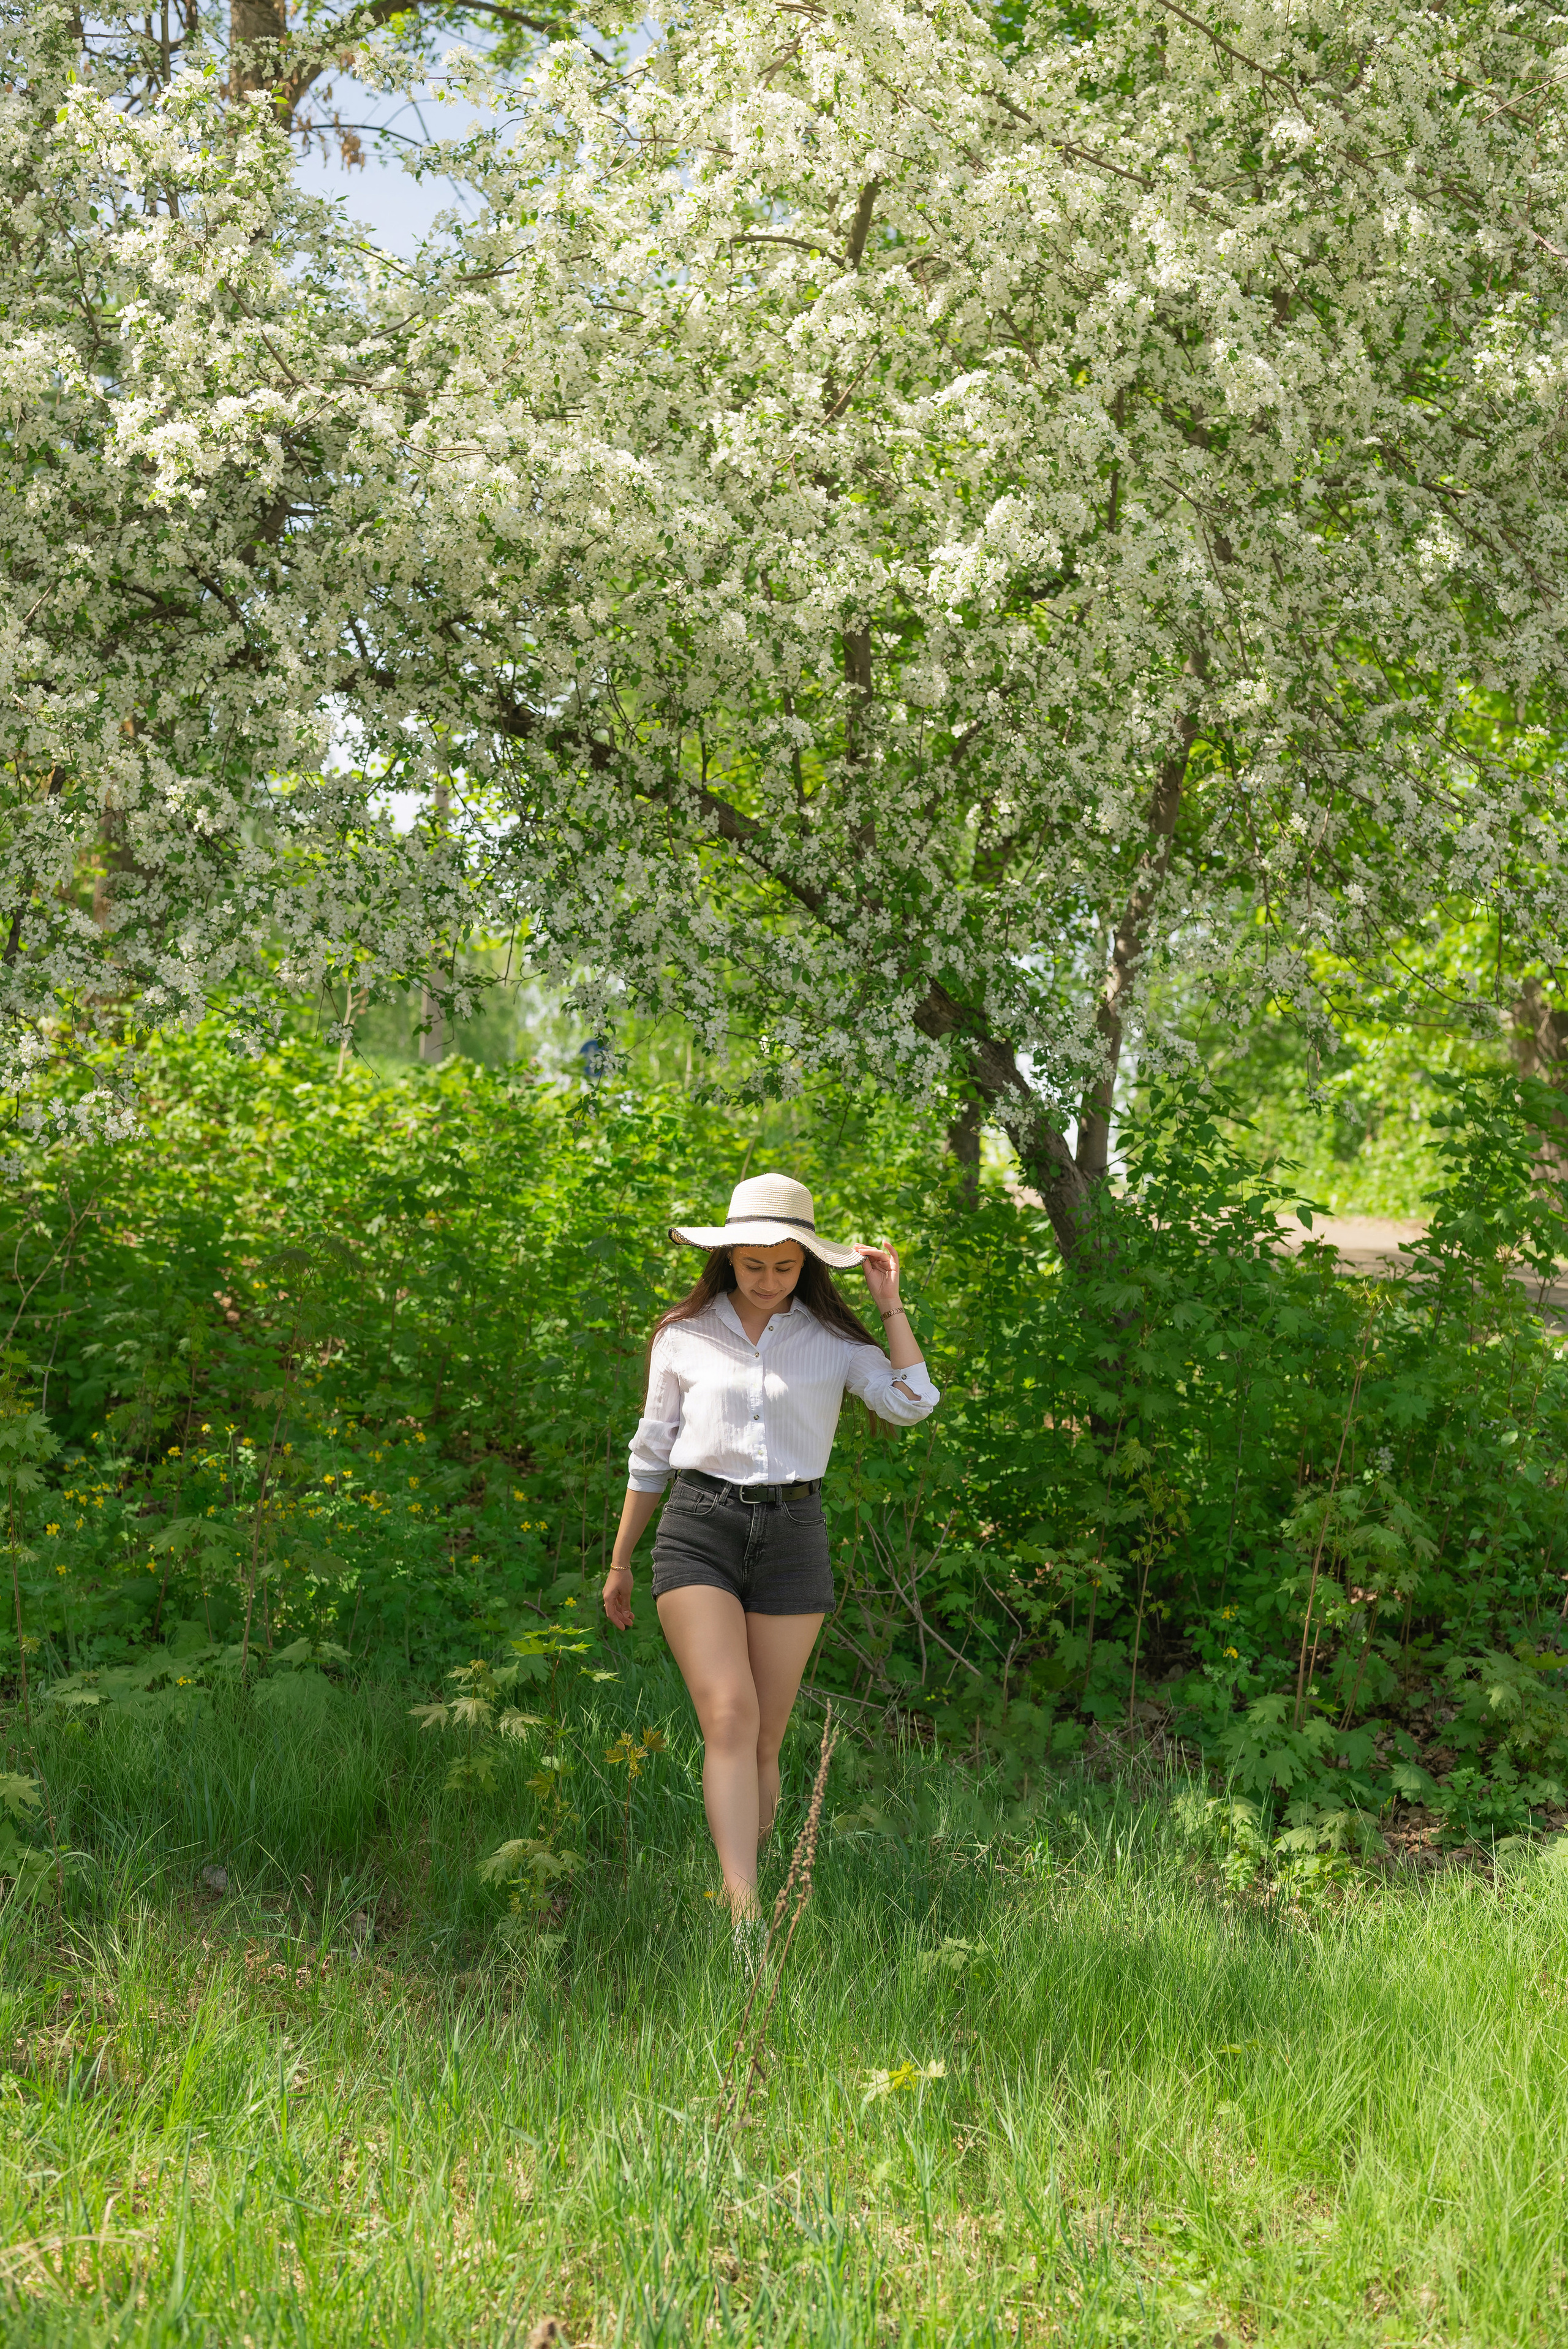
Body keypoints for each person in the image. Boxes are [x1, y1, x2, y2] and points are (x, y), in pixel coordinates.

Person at [601, 1172, 940, 1935]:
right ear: (725, 1258)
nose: (765, 1280)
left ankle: (738, 1885)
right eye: (751, 1265)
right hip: (698, 1525)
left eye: (783, 1266)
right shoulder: (682, 1335)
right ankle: (746, 1912)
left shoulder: (834, 1342)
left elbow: (913, 1403)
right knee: (728, 1711)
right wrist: (621, 1560)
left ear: (806, 1265)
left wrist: (888, 1305)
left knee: (764, 1734)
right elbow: (650, 1453)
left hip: (793, 1534)